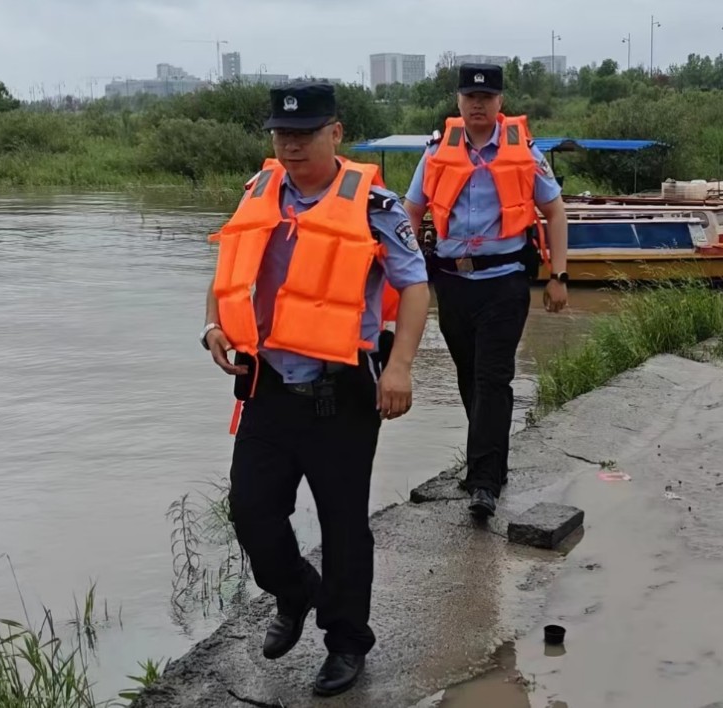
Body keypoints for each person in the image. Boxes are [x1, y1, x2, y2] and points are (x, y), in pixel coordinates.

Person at [201, 81, 430, 697]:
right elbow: (228, 271)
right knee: (251, 511)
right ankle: (295, 589)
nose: (292, 145)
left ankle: (347, 641)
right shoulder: (258, 192)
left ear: (336, 132)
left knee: (344, 525)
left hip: (343, 393)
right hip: (268, 386)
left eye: (305, 133)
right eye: (282, 134)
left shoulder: (375, 206)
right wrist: (212, 325)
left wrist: (401, 366)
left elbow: (414, 286)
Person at [403, 63, 569, 519]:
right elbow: (412, 210)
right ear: (459, 101)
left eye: (486, 97)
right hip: (452, 283)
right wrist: (407, 270)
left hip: (504, 282)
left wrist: (559, 276)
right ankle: (493, 462)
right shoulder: (436, 153)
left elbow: (555, 212)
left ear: (500, 102)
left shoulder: (525, 153)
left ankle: (483, 483)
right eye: (470, 97)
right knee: (469, 376)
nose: (477, 104)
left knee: (493, 377)